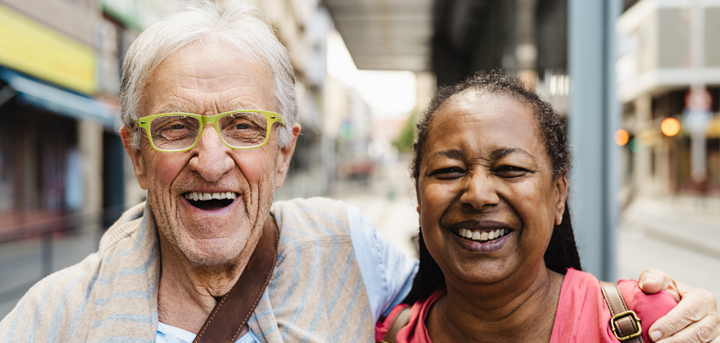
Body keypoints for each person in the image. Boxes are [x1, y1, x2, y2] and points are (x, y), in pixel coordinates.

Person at [0, 2, 717, 343]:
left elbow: (483, 283)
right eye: (177, 128)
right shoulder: (49, 319)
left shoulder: (345, 248)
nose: (211, 159)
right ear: (134, 150)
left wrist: (671, 308)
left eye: (244, 127)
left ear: (284, 152)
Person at [376, 71, 720, 343]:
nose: (478, 194)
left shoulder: (654, 323)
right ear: (419, 200)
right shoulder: (381, 335)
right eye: (449, 171)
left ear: (558, 195)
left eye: (510, 169)